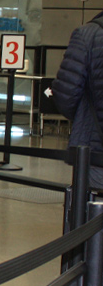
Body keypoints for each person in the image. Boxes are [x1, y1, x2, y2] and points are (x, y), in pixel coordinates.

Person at [52, 11, 103, 190]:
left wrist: (83, 118)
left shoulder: (88, 34)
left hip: (95, 148)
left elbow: (66, 93)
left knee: (91, 211)